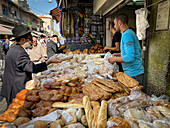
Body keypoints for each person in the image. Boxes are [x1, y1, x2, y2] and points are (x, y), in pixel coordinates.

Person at [1, 24, 61, 106]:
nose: (32, 41)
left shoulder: (15, 48)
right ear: (22, 40)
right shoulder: (18, 52)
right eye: (30, 39)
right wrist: (48, 62)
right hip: (15, 88)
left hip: (13, 85)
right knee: (16, 110)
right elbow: (32, 68)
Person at [108, 13, 144, 85]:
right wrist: (118, 54)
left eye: (115, 24)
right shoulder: (127, 33)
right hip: (132, 73)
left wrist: (114, 59)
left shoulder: (128, 35)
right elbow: (129, 53)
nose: (114, 26)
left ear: (120, 22)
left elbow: (130, 57)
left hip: (134, 74)